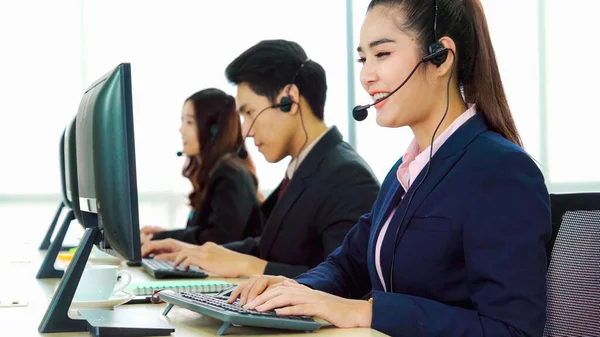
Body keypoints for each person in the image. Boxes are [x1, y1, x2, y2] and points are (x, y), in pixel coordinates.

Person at [226, 1, 552, 336]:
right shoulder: (404, 172)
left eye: (382, 54)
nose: (366, 76)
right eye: (363, 59)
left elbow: (512, 330)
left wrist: (368, 312)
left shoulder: (501, 171)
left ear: (440, 56)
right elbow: (347, 265)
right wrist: (291, 291)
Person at [141, 40, 380, 279]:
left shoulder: (347, 176)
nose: (245, 131)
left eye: (249, 112)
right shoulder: (305, 167)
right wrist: (197, 251)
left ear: (290, 100)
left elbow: (348, 284)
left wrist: (249, 267)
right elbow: (267, 248)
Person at [140, 88, 262, 246]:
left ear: (214, 131)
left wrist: (164, 239)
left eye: (189, 122)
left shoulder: (230, 174)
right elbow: (203, 231)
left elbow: (220, 238)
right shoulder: (218, 171)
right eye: (182, 121)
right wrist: (165, 236)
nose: (181, 129)